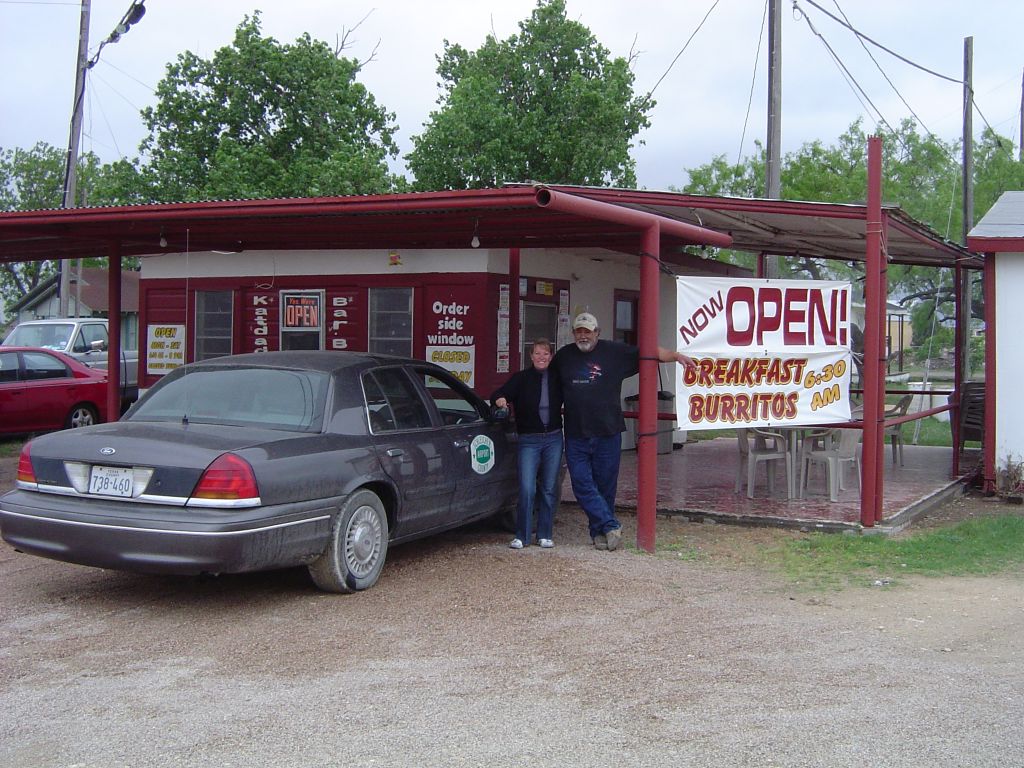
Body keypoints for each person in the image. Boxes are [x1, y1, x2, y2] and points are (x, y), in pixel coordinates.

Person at [552, 312, 696, 551]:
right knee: (580, 484)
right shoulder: (564, 356)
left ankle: (600, 533)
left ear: (597, 333)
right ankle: (610, 524)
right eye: (579, 331)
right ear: (574, 333)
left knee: (606, 486)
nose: (583, 335)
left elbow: (650, 353)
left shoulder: (614, 352)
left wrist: (676, 356)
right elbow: (547, 381)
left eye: (588, 331)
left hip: (608, 431)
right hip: (576, 433)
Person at [491, 338, 563, 550]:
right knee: (527, 488)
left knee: (549, 488)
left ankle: (545, 534)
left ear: (551, 356)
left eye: (545, 353)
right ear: (531, 356)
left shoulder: (557, 378)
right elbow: (498, 393)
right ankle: (522, 536)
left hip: (553, 438)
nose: (541, 357)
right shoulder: (521, 378)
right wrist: (500, 400)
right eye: (537, 353)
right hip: (529, 440)